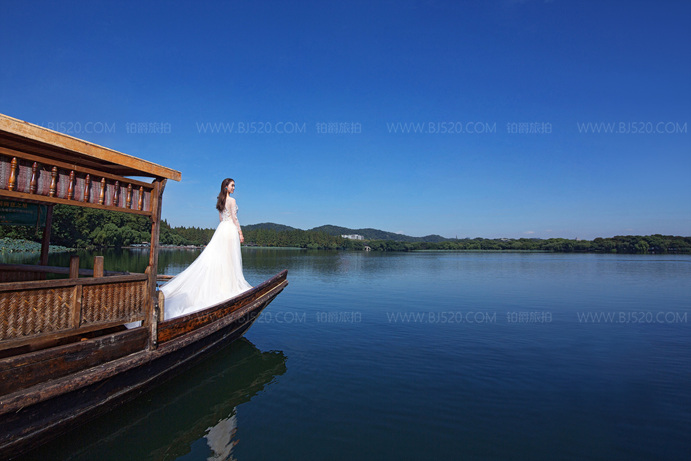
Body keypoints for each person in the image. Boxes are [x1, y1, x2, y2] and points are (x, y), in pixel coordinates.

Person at [161, 178, 252, 320]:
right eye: (232, 185)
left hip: (222, 229)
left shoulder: (220, 201)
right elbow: (234, 218)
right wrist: (240, 233)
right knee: (229, 258)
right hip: (229, 230)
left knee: (220, 257)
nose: (234, 188)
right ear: (226, 187)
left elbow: (221, 219)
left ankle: (222, 284)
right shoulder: (232, 201)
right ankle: (228, 286)